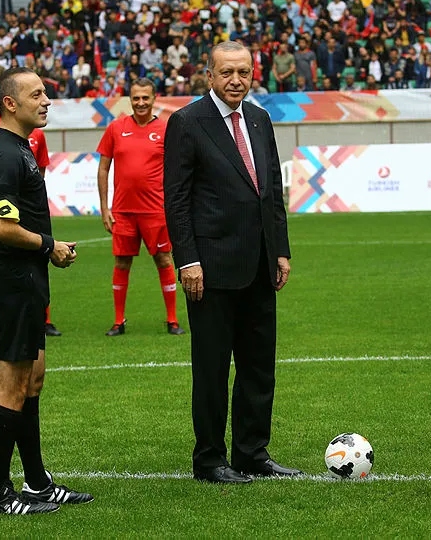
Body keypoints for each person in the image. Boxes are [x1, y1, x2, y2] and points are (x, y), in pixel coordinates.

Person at [164, 41, 300, 484]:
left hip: (260, 265)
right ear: (210, 76)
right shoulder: (187, 122)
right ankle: (209, 459)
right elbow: (177, 200)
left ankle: (251, 453)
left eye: (243, 72)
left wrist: (280, 249)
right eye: (227, 73)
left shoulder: (259, 119)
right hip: (212, 269)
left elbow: (271, 189)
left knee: (259, 366)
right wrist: (188, 261)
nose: (236, 80)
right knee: (212, 369)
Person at [0, 67, 93, 515]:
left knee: (33, 379)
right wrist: (50, 246)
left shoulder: (19, 147)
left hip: (26, 279)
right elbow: (1, 227)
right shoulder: (7, 153)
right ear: (11, 103)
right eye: (37, 94)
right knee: (10, 387)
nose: (46, 100)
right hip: (12, 280)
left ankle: (37, 483)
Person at [96, 78, 185, 336]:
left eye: (145, 98)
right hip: (123, 211)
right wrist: (105, 208)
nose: (141, 103)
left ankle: (172, 320)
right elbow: (103, 169)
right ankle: (119, 321)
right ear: (130, 99)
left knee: (163, 259)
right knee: (121, 262)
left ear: (154, 98)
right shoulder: (115, 128)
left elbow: (178, 170)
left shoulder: (167, 129)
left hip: (156, 211)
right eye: (136, 98)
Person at [0, 125, 62, 340]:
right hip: (6, 209)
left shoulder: (37, 136)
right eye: (35, 95)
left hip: (30, 213)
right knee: (1, 257)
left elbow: (39, 171)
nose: (45, 102)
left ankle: (46, 320)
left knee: (37, 261)